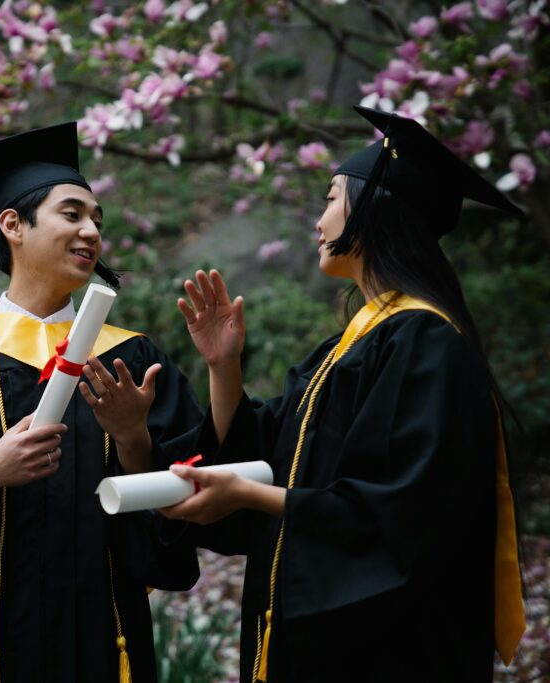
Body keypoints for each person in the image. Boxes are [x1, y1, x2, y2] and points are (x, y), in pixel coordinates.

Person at [161, 106, 527, 682]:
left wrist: (252, 497)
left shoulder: (426, 342)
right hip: (317, 638)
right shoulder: (350, 346)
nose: (319, 221)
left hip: (390, 649)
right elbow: (269, 450)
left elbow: (403, 511)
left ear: (375, 208)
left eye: (332, 198)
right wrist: (224, 367)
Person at [0, 122, 201, 682]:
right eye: (72, 214)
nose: (91, 231)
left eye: (97, 219)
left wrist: (132, 438)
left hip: (102, 634)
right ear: (13, 225)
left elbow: (184, 501)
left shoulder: (132, 361)